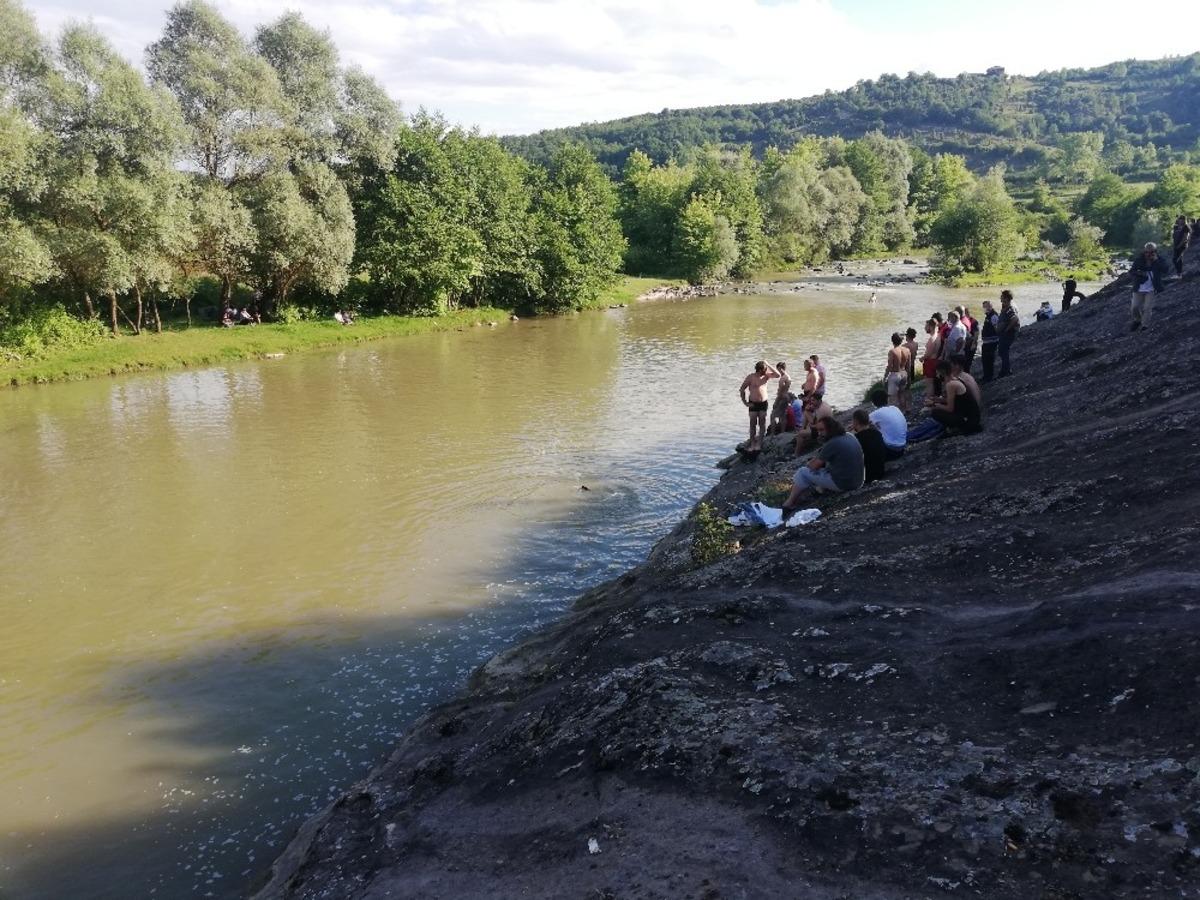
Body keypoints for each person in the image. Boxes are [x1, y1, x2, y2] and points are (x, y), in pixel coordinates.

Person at [780, 416, 865, 517]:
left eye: (822, 430)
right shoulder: (849, 435)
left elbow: (813, 467)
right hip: (859, 481)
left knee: (802, 472)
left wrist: (811, 463)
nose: (819, 433)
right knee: (827, 466)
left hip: (845, 485)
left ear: (831, 429)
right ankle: (819, 490)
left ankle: (789, 503)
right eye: (818, 430)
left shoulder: (833, 443)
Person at [927, 360, 981, 433]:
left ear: (941, 373)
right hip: (971, 415)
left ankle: (957, 427)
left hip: (969, 420)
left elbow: (950, 409)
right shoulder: (957, 379)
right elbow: (956, 400)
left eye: (937, 372)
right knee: (939, 406)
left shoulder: (951, 385)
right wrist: (937, 400)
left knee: (935, 412)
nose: (936, 375)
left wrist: (934, 404)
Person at [1129, 242, 1171, 331]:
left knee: (1147, 308)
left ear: (1155, 251)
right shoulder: (1139, 260)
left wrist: (1156, 260)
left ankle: (1145, 326)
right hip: (1139, 287)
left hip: (1151, 288)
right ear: (1144, 251)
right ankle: (1138, 320)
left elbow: (1166, 270)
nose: (1148, 254)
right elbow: (1131, 271)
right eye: (1146, 252)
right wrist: (1139, 273)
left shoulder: (1159, 259)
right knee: (1134, 307)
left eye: (1151, 252)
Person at [739, 361, 780, 452]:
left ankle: (759, 444)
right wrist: (745, 402)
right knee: (752, 424)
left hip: (763, 403)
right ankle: (753, 443)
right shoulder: (751, 377)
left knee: (762, 423)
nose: (767, 370)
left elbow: (778, 375)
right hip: (753, 403)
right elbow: (742, 389)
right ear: (760, 369)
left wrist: (768, 364)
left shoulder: (766, 376)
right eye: (765, 369)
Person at [868, 388, 906, 460]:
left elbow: (861, 425)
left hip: (891, 450)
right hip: (902, 446)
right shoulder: (895, 408)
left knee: (867, 431)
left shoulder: (875, 414)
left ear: (873, 403)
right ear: (886, 399)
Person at [850, 409, 886, 484]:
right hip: (880, 472)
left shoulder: (856, 439)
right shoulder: (877, 433)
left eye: (852, 420)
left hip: (866, 477)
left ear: (856, 422)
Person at [883, 332, 910, 413]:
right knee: (902, 393)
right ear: (901, 341)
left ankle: (893, 414)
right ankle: (904, 411)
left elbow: (889, 366)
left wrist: (885, 377)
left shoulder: (892, 351)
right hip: (904, 373)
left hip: (895, 375)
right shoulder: (907, 350)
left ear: (892, 341)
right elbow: (909, 365)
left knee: (892, 398)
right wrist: (909, 377)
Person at [997, 290, 1019, 377]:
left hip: (1009, 333)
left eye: (1001, 296)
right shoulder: (1005, 306)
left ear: (1006, 298)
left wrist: (1007, 329)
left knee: (1003, 351)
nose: (1000, 298)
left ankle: (1006, 371)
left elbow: (1015, 319)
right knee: (1002, 351)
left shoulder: (1010, 308)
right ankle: (1005, 369)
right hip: (1005, 333)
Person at [769, 362, 792, 435]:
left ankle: (772, 434)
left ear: (780, 368)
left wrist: (776, 402)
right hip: (786, 398)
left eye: (777, 369)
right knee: (783, 416)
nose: (777, 371)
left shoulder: (783, 378)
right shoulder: (788, 377)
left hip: (782, 398)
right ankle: (782, 433)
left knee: (772, 416)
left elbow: (780, 392)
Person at [979, 300, 999, 382]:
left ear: (990, 307)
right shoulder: (988, 316)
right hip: (987, 342)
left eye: (986, 307)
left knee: (989, 360)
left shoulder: (993, 316)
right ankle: (986, 376)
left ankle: (989, 377)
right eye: (983, 307)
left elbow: (997, 329)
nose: (984, 309)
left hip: (991, 342)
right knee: (985, 360)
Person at [921, 318, 941, 397]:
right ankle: (934, 398)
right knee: (933, 382)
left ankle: (929, 402)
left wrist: (922, 358)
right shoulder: (938, 335)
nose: (925, 328)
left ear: (931, 327)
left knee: (929, 383)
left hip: (930, 362)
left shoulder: (932, 339)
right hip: (935, 360)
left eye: (926, 326)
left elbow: (928, 353)